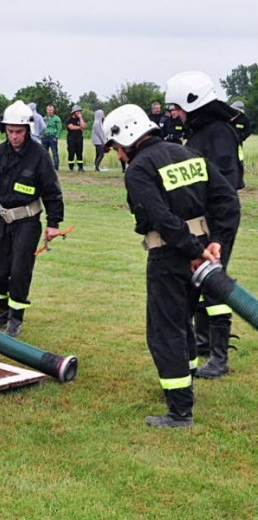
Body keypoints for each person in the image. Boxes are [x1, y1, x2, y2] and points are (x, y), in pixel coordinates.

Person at [102, 104, 239, 427]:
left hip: (171, 254)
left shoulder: (139, 169)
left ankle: (179, 411)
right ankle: (186, 381)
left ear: (129, 138)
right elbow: (227, 201)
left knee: (165, 330)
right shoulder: (188, 154)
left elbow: (161, 218)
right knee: (184, 320)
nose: (119, 157)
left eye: (118, 149)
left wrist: (192, 251)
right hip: (203, 249)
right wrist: (214, 242)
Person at [165, 71, 245, 379]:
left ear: (193, 102)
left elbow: (224, 183)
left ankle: (219, 356)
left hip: (218, 221)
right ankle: (203, 341)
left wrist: (216, 232)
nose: (174, 113)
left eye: (177, 108)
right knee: (197, 278)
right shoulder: (202, 131)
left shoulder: (218, 133)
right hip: (202, 219)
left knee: (214, 283)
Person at [0, 101, 64, 338]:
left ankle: (16, 318)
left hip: (28, 221)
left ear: (28, 130)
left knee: (20, 269)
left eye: (18, 132)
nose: (14, 136)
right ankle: (3, 311)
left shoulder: (39, 156)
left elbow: (52, 190)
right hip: (2, 218)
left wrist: (53, 223)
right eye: (10, 131)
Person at [66, 105, 86, 171]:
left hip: (79, 138)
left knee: (79, 153)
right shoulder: (69, 120)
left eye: (80, 111)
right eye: (77, 111)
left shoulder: (80, 119)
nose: (79, 112)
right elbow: (71, 127)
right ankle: (71, 167)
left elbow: (84, 126)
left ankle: (80, 167)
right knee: (71, 153)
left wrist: (80, 118)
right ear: (74, 112)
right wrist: (80, 127)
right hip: (71, 138)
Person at [42, 104, 62, 170]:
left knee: (54, 153)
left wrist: (56, 137)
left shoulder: (57, 118)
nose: (50, 111)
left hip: (52, 137)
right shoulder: (44, 118)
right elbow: (41, 127)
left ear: (53, 110)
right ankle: (45, 167)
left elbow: (59, 128)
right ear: (46, 110)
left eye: (51, 110)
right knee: (44, 153)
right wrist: (41, 135)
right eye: (49, 110)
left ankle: (56, 166)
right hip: (44, 137)